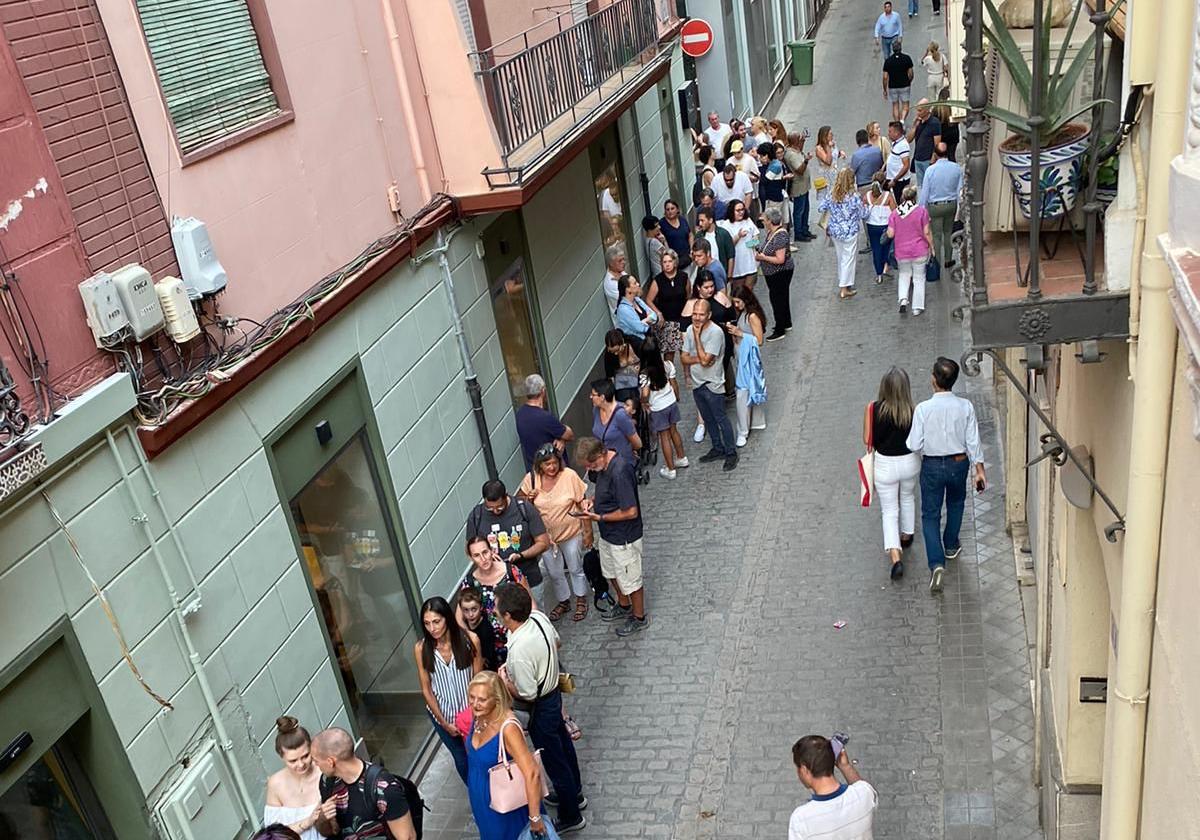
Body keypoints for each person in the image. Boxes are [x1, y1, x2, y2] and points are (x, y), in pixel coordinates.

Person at [492, 586, 586, 835]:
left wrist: (505, 680)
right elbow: (557, 642)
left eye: (498, 608)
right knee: (564, 744)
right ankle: (575, 793)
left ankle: (571, 815)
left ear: (509, 615)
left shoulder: (519, 650)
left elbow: (527, 693)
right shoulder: (538, 618)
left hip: (541, 707)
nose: (495, 611)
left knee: (554, 761)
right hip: (553, 694)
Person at [906, 356, 986, 595]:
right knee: (956, 503)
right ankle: (951, 545)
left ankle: (936, 563)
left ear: (934, 380)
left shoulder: (922, 409)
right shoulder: (965, 406)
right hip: (959, 463)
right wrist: (979, 468)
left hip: (931, 465)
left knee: (930, 515)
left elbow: (913, 443)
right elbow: (973, 440)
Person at [464, 671, 556, 839]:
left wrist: (534, 818)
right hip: (482, 801)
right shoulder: (479, 716)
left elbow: (532, 773)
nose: (475, 704)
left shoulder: (508, 728)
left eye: (482, 699)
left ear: (497, 699)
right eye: (472, 697)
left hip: (506, 805)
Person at [575, 436, 650, 633]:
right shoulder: (603, 468)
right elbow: (607, 494)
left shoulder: (619, 471)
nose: (589, 469)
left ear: (601, 454)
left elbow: (631, 511)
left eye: (591, 464)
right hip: (609, 535)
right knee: (611, 572)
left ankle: (639, 617)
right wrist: (592, 500)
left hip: (624, 536)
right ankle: (624, 605)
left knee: (630, 579)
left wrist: (599, 517)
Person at [518, 444, 592, 622]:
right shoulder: (532, 479)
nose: (551, 467)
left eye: (554, 463)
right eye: (546, 464)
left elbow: (583, 503)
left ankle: (581, 597)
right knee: (554, 572)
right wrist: (528, 499)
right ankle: (564, 600)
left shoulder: (569, 476)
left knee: (575, 566)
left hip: (571, 532)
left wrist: (588, 531)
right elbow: (519, 501)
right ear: (539, 465)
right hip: (546, 538)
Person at [414, 596, 482, 783]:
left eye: (436, 621)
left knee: (479, 755)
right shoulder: (422, 648)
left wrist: (473, 715)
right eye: (427, 623)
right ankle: (476, 796)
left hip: (470, 714)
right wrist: (444, 723)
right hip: (442, 715)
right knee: (461, 760)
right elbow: (426, 689)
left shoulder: (470, 640)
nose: (432, 628)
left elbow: (478, 681)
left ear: (447, 618)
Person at [312, 728, 416, 840]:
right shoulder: (327, 783)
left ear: (330, 762)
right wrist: (323, 818)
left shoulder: (384, 789)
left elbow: (408, 837)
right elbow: (332, 831)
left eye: (316, 761)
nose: (315, 765)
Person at [866, 367, 919, 580]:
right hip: (909, 462)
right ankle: (907, 535)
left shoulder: (872, 408)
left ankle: (895, 555)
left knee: (889, 510)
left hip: (885, 465)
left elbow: (867, 440)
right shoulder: (914, 410)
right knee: (907, 497)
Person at [466, 479, 550, 604]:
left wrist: (521, 555)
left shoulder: (523, 508)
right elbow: (470, 547)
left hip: (528, 576)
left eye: (500, 507)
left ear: (506, 496)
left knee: (535, 614)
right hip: (496, 583)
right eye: (490, 508)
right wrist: (486, 555)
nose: (495, 511)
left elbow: (543, 542)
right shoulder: (476, 515)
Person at [461, 535, 537, 663]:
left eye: (485, 552)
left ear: (492, 550)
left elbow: (532, 605)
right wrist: (473, 639)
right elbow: (459, 618)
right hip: (489, 646)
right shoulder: (470, 582)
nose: (483, 559)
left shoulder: (510, 572)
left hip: (518, 639)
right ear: (471, 558)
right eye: (477, 555)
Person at [682, 299, 738, 470]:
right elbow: (684, 358)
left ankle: (731, 452)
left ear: (709, 315)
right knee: (708, 419)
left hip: (713, 383)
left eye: (701, 314)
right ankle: (717, 448)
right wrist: (701, 358)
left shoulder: (715, 332)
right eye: (695, 314)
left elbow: (708, 362)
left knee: (721, 418)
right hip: (698, 383)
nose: (697, 318)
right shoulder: (690, 329)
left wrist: (698, 339)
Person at [788, 735, 877, 840]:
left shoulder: (801, 819)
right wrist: (846, 766)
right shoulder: (864, 794)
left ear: (804, 770)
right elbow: (860, 785)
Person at [264, 717, 322, 840]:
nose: (301, 764)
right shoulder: (276, 784)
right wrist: (307, 822)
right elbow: (273, 835)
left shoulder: (324, 773)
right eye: (293, 761)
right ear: (281, 756)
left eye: (305, 756)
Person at [818, 168, 869, 300]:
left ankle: (844, 281)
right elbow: (863, 214)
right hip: (850, 230)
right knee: (849, 258)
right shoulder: (854, 197)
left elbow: (821, 208)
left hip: (835, 230)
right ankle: (844, 287)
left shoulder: (832, 194)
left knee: (841, 257)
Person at [727, 285, 768, 447]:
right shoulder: (744, 314)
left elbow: (759, 340)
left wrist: (739, 333)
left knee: (742, 393)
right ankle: (755, 422)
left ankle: (743, 430)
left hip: (748, 361)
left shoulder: (751, 316)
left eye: (738, 302)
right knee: (748, 389)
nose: (736, 305)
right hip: (742, 357)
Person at [640, 349, 688, 479]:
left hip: (658, 407)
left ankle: (670, 469)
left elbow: (645, 394)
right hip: (671, 402)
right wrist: (677, 396)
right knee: (674, 431)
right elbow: (674, 383)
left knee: (664, 437)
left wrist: (644, 402)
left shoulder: (646, 374)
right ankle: (681, 457)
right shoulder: (667, 365)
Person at [887, 184, 934, 315]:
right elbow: (927, 232)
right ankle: (917, 307)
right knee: (919, 278)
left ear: (902, 197)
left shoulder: (895, 214)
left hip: (902, 251)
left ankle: (903, 299)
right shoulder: (922, 211)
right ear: (915, 197)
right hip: (919, 250)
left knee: (904, 275)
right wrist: (932, 247)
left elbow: (890, 234)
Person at [516, 373, 574, 471]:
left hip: (535, 468)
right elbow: (570, 435)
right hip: (553, 469)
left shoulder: (520, 414)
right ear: (543, 391)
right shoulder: (545, 417)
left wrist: (561, 439)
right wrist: (562, 438)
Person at [918, 142, 963, 267]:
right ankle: (948, 259)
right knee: (948, 232)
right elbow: (960, 190)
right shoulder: (956, 168)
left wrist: (921, 209)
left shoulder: (930, 171)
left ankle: (937, 262)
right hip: (951, 204)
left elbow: (925, 192)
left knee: (936, 235)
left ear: (935, 154)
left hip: (935, 206)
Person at [645, 249, 691, 372]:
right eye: (664, 262)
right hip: (667, 321)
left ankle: (687, 375)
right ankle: (669, 375)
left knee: (685, 350)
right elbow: (649, 300)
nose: (667, 264)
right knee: (669, 352)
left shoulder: (683, 277)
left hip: (682, 319)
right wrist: (658, 313)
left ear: (675, 262)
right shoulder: (658, 280)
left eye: (670, 261)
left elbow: (688, 296)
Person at [755, 205, 794, 339]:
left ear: (770, 221)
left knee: (777, 299)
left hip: (780, 273)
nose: (763, 221)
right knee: (782, 297)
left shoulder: (780, 235)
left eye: (765, 219)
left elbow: (780, 259)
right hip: (773, 273)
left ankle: (780, 329)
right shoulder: (771, 233)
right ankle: (786, 322)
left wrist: (762, 257)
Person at [590, 377, 641, 461]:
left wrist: (629, 451)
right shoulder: (596, 410)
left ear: (602, 397)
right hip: (604, 461)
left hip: (621, 463)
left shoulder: (620, 415)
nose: (590, 397)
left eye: (593, 394)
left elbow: (637, 443)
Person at [455, 585, 499, 670]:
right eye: (466, 610)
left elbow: (484, 660)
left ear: (481, 607)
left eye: (474, 609)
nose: (470, 614)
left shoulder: (486, 629)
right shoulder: (463, 625)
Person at [720, 200, 760, 290]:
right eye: (738, 210)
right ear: (731, 211)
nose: (741, 212)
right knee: (738, 293)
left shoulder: (748, 221)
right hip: (737, 267)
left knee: (749, 292)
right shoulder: (726, 225)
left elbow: (756, 236)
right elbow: (727, 246)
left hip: (750, 264)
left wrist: (752, 242)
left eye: (742, 209)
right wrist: (738, 236)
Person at [865, 173, 897, 284]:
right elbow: (894, 212)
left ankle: (878, 273)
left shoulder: (867, 195)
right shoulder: (888, 196)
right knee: (886, 248)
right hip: (885, 226)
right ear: (884, 182)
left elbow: (863, 210)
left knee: (876, 249)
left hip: (872, 226)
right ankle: (885, 265)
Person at [784, 131, 815, 243]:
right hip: (799, 187)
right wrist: (806, 160)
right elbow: (800, 170)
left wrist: (803, 140)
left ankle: (805, 230)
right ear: (795, 141)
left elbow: (800, 149)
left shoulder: (795, 149)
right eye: (800, 139)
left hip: (804, 186)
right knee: (799, 211)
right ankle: (799, 233)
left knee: (806, 209)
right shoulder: (791, 155)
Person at [907, 98, 942, 185]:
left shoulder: (934, 123)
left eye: (920, 110)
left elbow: (937, 143)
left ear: (927, 111)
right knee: (920, 185)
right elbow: (909, 139)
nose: (917, 113)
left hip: (928, 159)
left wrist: (933, 158)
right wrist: (915, 126)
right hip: (918, 159)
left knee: (929, 184)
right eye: (917, 110)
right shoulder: (919, 123)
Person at [614, 273, 659, 340]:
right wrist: (649, 319)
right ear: (628, 289)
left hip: (649, 340)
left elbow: (654, 316)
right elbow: (640, 328)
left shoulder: (637, 300)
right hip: (638, 344)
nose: (638, 284)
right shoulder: (623, 309)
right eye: (635, 283)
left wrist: (645, 320)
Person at [695, 208, 734, 280]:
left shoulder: (723, 234)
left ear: (710, 220)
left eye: (702, 221)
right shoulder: (699, 236)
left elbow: (730, 256)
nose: (700, 223)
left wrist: (729, 276)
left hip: (720, 274)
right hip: (704, 275)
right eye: (699, 221)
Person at [812, 125, 844, 212]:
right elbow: (828, 161)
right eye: (830, 134)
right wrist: (828, 147)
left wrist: (840, 153)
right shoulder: (819, 148)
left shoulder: (833, 144)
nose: (832, 135)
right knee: (829, 198)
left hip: (835, 174)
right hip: (826, 176)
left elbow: (835, 155)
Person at [757, 142, 789, 224]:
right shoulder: (772, 164)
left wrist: (763, 165)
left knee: (773, 222)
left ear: (767, 155)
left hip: (775, 198)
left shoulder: (775, 166)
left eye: (761, 156)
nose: (760, 158)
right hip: (771, 197)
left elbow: (764, 180)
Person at [882, 40, 914, 123]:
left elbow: (885, 77)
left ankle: (897, 123)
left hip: (893, 86)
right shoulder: (907, 58)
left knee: (895, 105)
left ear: (893, 49)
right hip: (905, 85)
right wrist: (909, 81)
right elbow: (910, 73)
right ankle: (902, 120)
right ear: (901, 48)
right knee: (905, 105)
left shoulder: (888, 61)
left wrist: (885, 89)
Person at [659, 199, 693, 272]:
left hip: (687, 258)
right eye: (667, 209)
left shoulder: (682, 219)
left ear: (677, 209)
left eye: (672, 208)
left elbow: (690, 235)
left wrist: (692, 250)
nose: (670, 211)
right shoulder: (662, 224)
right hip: (673, 262)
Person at [883, 120, 912, 203]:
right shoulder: (896, 143)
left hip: (899, 181)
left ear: (897, 133)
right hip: (893, 179)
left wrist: (894, 180)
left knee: (899, 201)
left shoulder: (903, 146)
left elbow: (906, 166)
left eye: (890, 131)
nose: (888, 134)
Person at [602, 244, 626, 324]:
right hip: (625, 324)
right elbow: (628, 299)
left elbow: (638, 291)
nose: (623, 262)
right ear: (611, 263)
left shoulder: (622, 273)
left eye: (623, 259)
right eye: (620, 261)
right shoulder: (610, 282)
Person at [933, 93, 960, 161]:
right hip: (953, 135)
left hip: (942, 135)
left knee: (941, 156)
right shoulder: (954, 108)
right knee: (951, 155)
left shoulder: (936, 109)